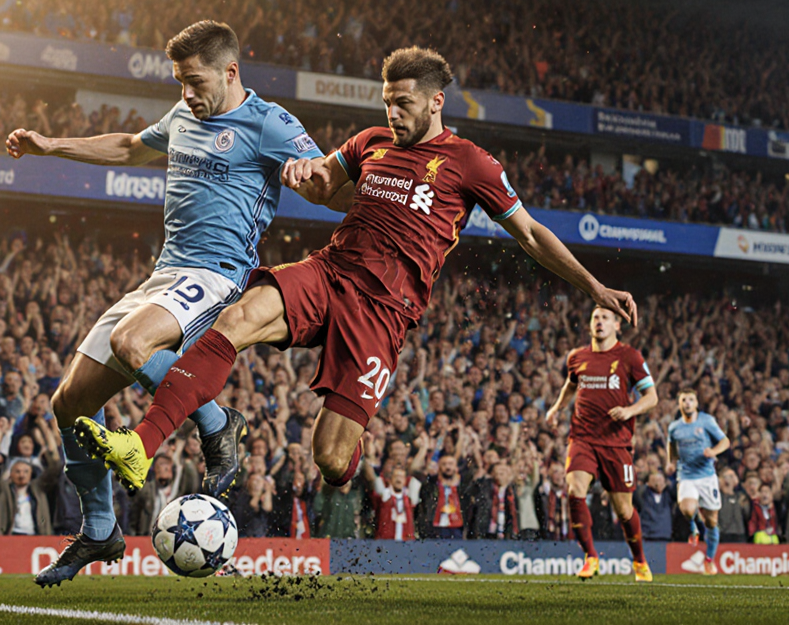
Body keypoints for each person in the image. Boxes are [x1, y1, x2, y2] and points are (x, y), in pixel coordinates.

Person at [77, 46, 638, 512]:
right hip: (331, 270)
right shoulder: (370, 142)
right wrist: (304, 173)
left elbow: (532, 234)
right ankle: (142, 445)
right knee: (238, 316)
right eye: (388, 101)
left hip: (383, 312)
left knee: (330, 459)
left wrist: (595, 288)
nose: (393, 113)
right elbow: (324, 185)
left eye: (404, 103)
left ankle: (350, 446)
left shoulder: (472, 163)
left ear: (436, 102)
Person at [5, 19, 323, 585]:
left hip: (218, 276)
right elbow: (131, 146)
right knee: (69, 403)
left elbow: (333, 182)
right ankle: (100, 530)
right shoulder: (182, 115)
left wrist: (312, 172)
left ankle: (217, 423)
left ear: (230, 71)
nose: (186, 93)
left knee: (132, 341)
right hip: (164, 276)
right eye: (180, 81)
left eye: (195, 81)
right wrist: (52, 145)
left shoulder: (269, 123)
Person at [544, 305, 658, 582]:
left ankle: (639, 561)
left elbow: (651, 397)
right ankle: (591, 557)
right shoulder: (577, 357)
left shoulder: (630, 356)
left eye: (605, 318)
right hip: (582, 437)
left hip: (616, 443)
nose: (599, 322)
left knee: (624, 510)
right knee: (575, 489)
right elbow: (571, 385)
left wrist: (630, 411)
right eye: (596, 317)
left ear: (617, 325)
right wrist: (557, 408)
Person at [667, 389, 729, 575]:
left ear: (696, 403)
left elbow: (725, 441)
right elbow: (671, 445)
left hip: (707, 477)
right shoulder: (674, 427)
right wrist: (670, 462)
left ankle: (709, 560)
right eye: (683, 400)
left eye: (691, 399)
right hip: (686, 476)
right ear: (679, 404)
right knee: (687, 509)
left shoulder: (706, 421)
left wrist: (713, 451)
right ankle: (694, 525)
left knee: (711, 522)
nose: (687, 403)